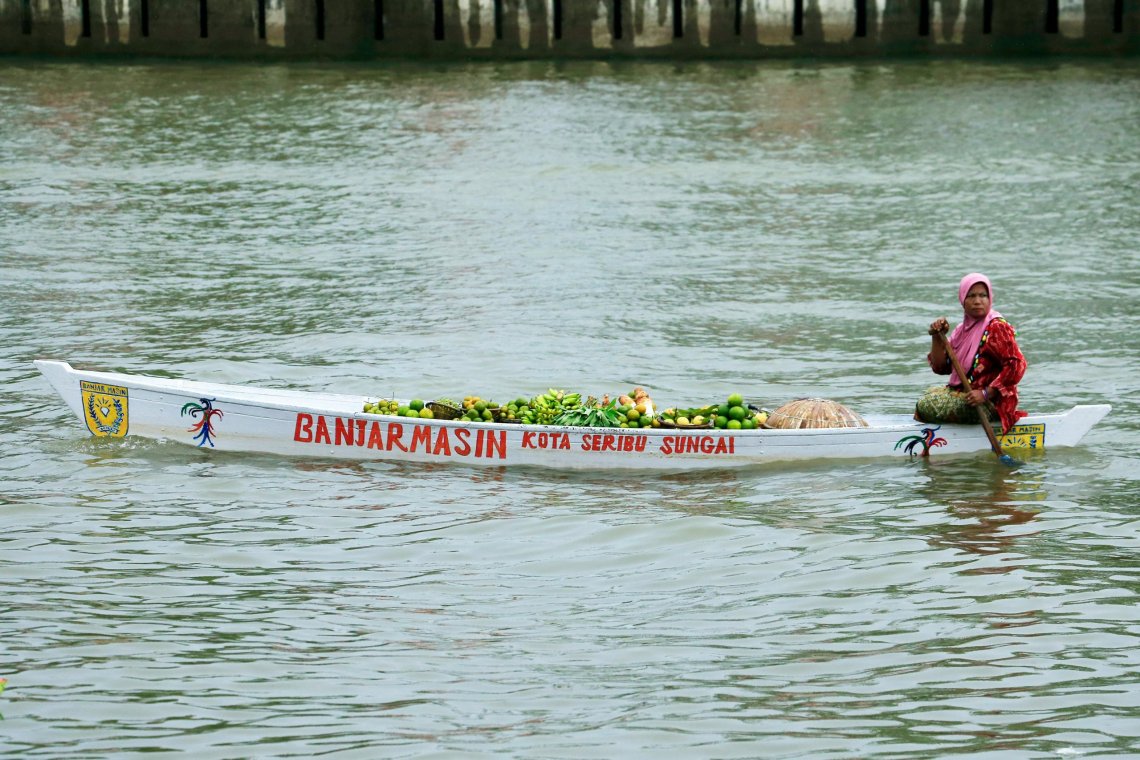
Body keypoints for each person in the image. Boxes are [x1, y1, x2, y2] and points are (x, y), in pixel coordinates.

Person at [916, 273, 1027, 434]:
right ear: (963, 299)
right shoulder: (962, 330)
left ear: (990, 298)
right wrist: (937, 336)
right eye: (971, 296)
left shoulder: (996, 327)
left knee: (925, 404)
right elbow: (941, 368)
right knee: (929, 394)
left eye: (983, 295)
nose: (977, 301)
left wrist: (986, 393)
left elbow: (1017, 365)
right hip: (968, 398)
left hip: (990, 404)